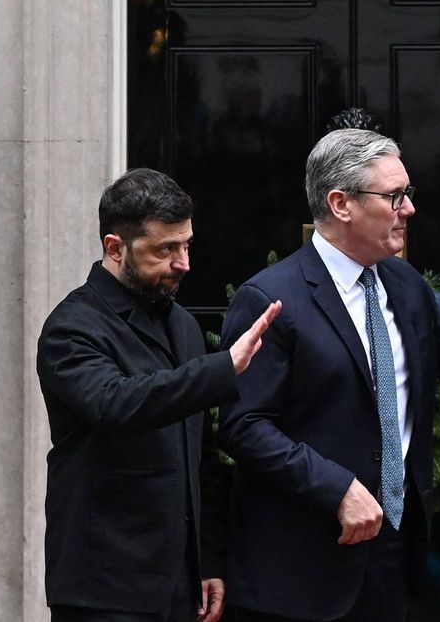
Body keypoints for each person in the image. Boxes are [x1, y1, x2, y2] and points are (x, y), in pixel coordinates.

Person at [217, 128, 440, 621]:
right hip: (300, 569)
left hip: (390, 556)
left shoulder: (405, 285)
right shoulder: (271, 299)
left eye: (408, 193)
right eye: (394, 196)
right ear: (341, 204)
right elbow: (243, 425)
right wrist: (336, 487)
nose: (409, 209)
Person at [36, 168, 281, 622]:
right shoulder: (71, 327)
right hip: (103, 589)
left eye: (186, 245)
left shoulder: (182, 325)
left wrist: (208, 561)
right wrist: (222, 367)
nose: (183, 263)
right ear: (115, 248)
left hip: (179, 585)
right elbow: (115, 403)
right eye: (165, 249)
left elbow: (201, 456)